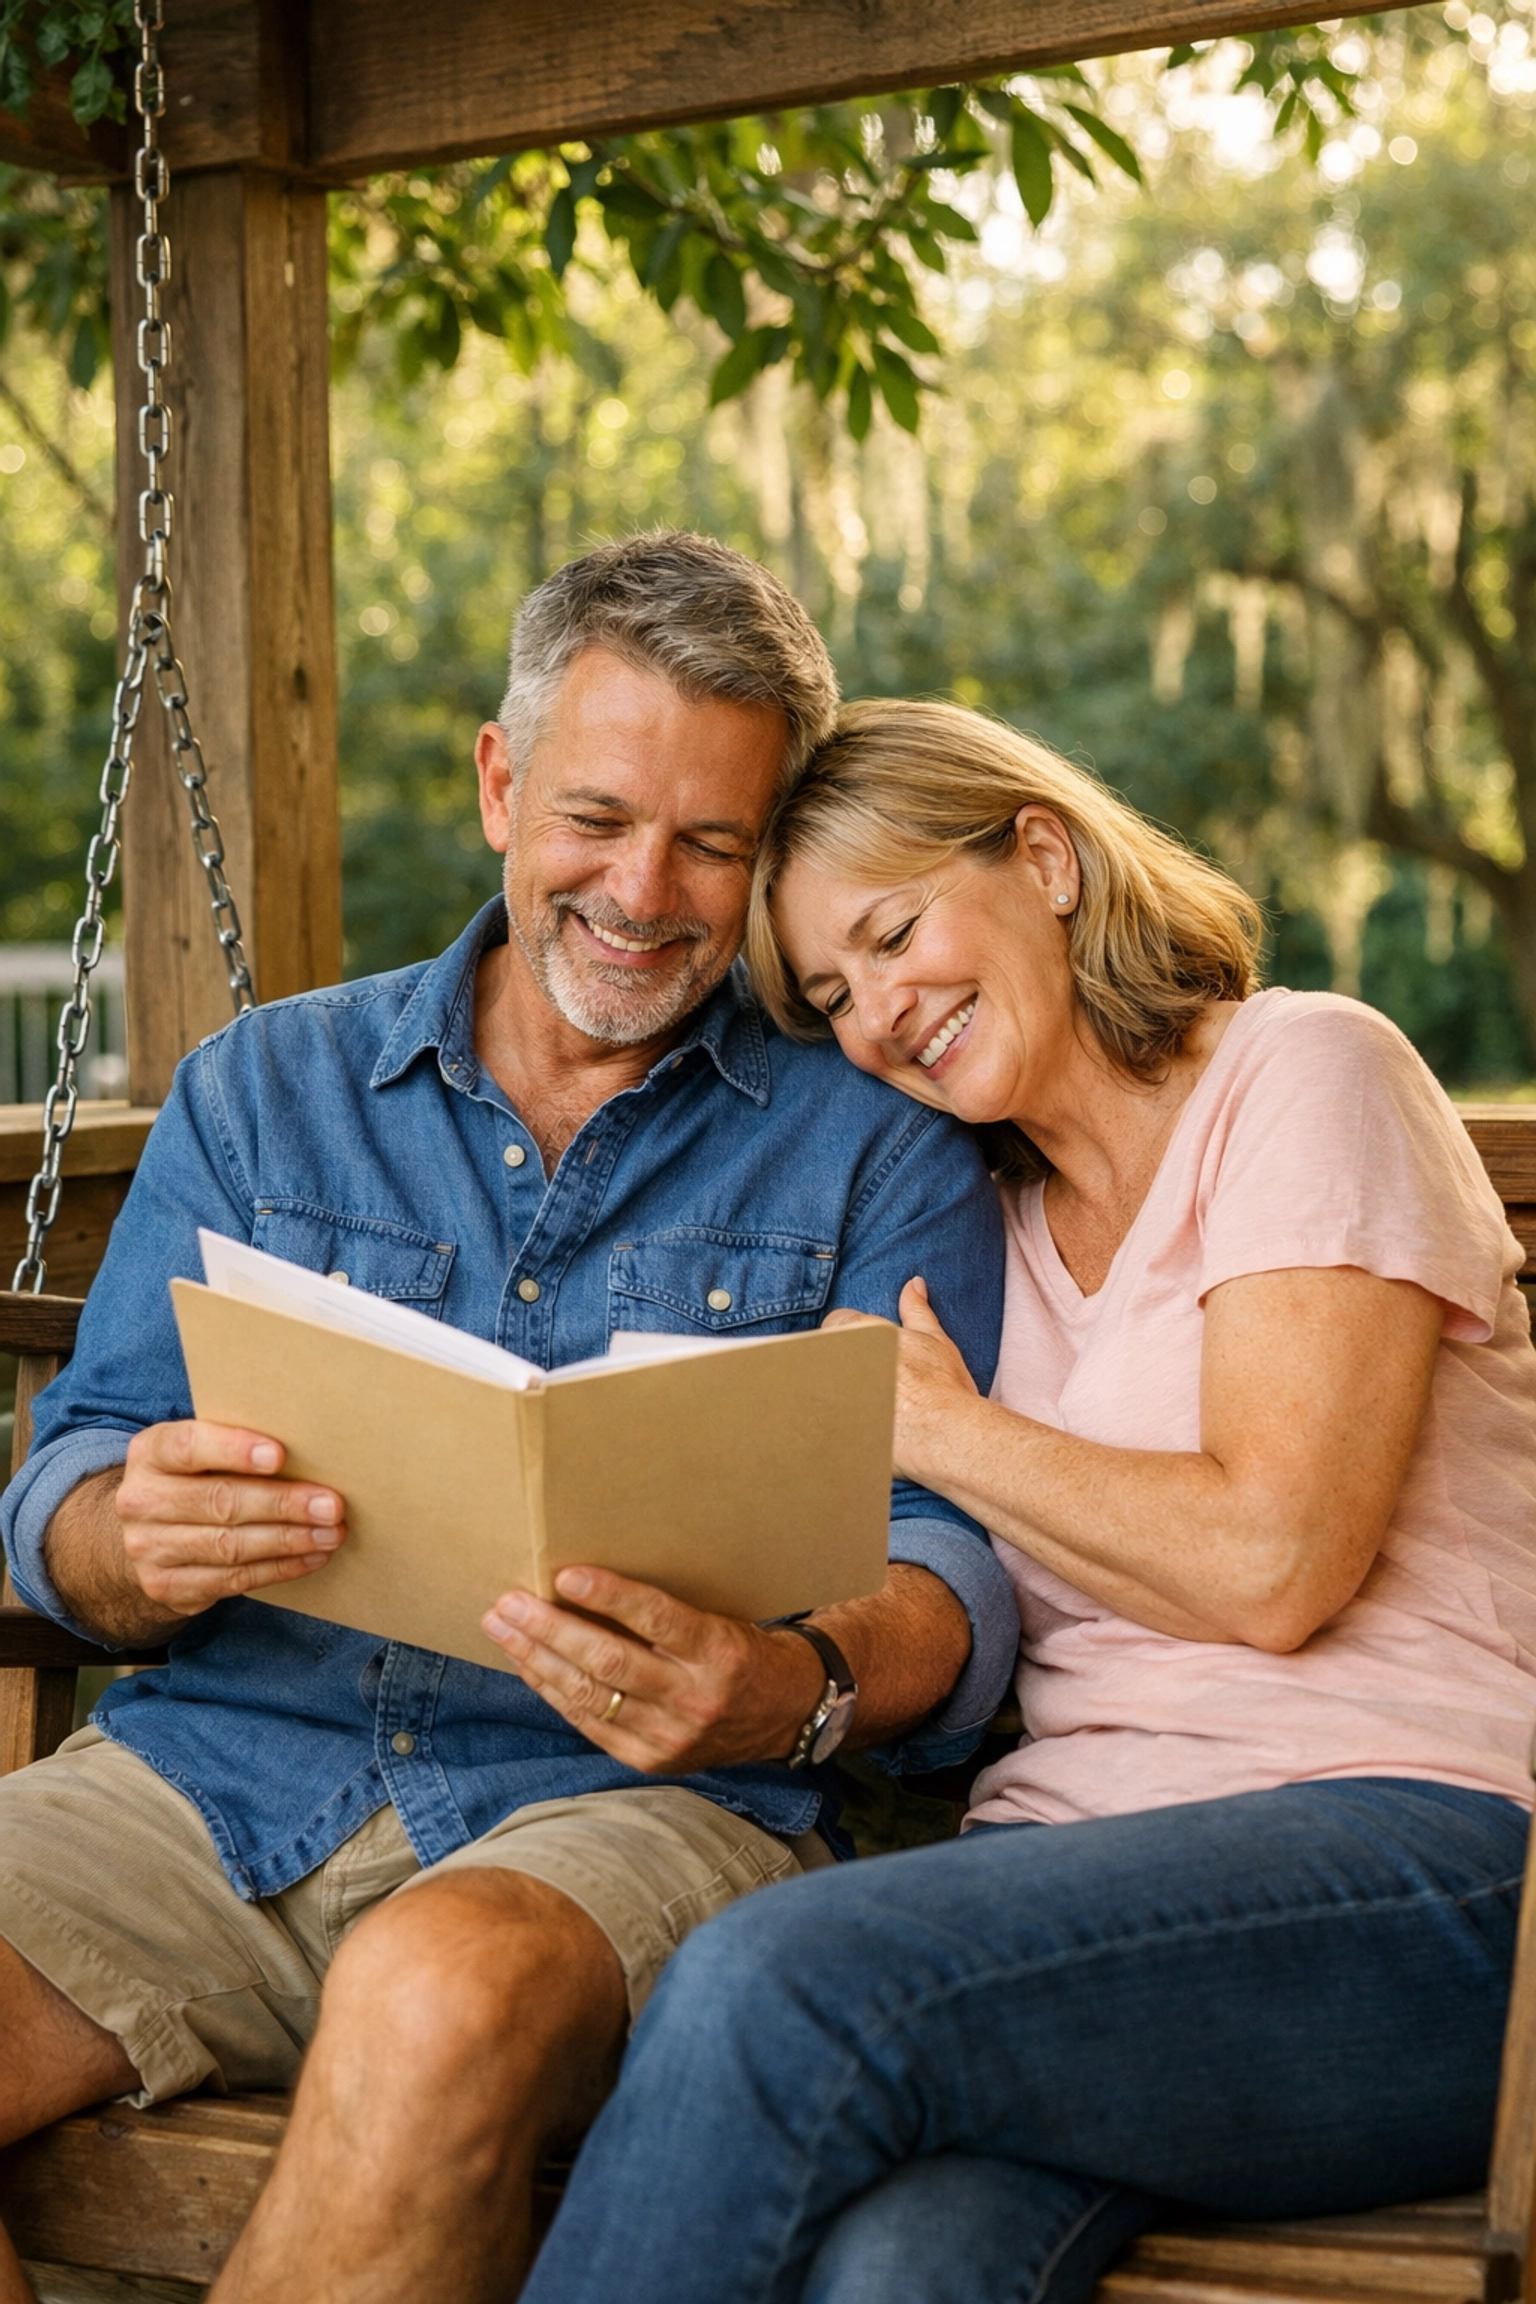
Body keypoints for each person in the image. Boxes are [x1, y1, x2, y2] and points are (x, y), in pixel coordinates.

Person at [0, 572, 1019, 2304]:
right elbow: (76, 1471)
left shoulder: (877, 1146)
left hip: (631, 1809)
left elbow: (952, 1552)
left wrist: (792, 1683)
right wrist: (125, 1534)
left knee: (436, 1989)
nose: (642, 893)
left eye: (711, 842)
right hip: (219, 1778)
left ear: (771, 859)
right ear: (497, 786)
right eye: (597, 818)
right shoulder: (267, 1087)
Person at [520, 697, 1536, 2304]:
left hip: (1436, 1875)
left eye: (895, 931)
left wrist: (937, 1427)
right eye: (835, 995)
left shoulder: (1303, 1074)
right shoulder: (979, 1224)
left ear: (1046, 859)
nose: (878, 1017)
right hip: (1078, 1910)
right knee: (902, 2270)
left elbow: (1274, 1562)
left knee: (774, 1985)